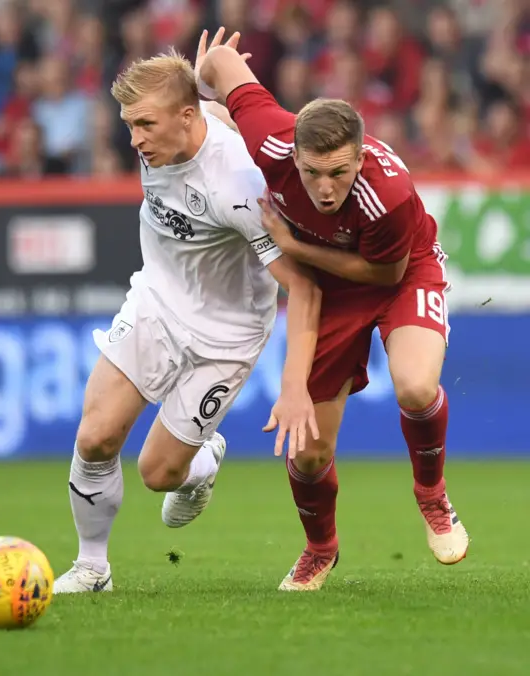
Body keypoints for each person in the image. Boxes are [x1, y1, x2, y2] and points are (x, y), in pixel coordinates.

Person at [197, 29, 470, 592]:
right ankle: (320, 550)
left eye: (339, 173)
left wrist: (294, 247)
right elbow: (223, 62)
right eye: (313, 171)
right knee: (309, 449)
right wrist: (204, 83)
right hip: (332, 288)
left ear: (361, 156)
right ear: (293, 152)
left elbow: (382, 275)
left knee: (416, 387)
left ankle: (432, 494)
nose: (325, 187)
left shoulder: (387, 195)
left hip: (400, 270)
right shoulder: (269, 139)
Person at [53, 46, 322, 594]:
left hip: (227, 335)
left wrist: (296, 385)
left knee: (159, 474)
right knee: (97, 436)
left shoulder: (239, 187)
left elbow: (301, 285)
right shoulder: (170, 130)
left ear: (185, 117)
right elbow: (213, 105)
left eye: (144, 125)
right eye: (129, 125)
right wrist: (202, 79)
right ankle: (91, 567)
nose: (135, 141)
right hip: (157, 301)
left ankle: (202, 460)